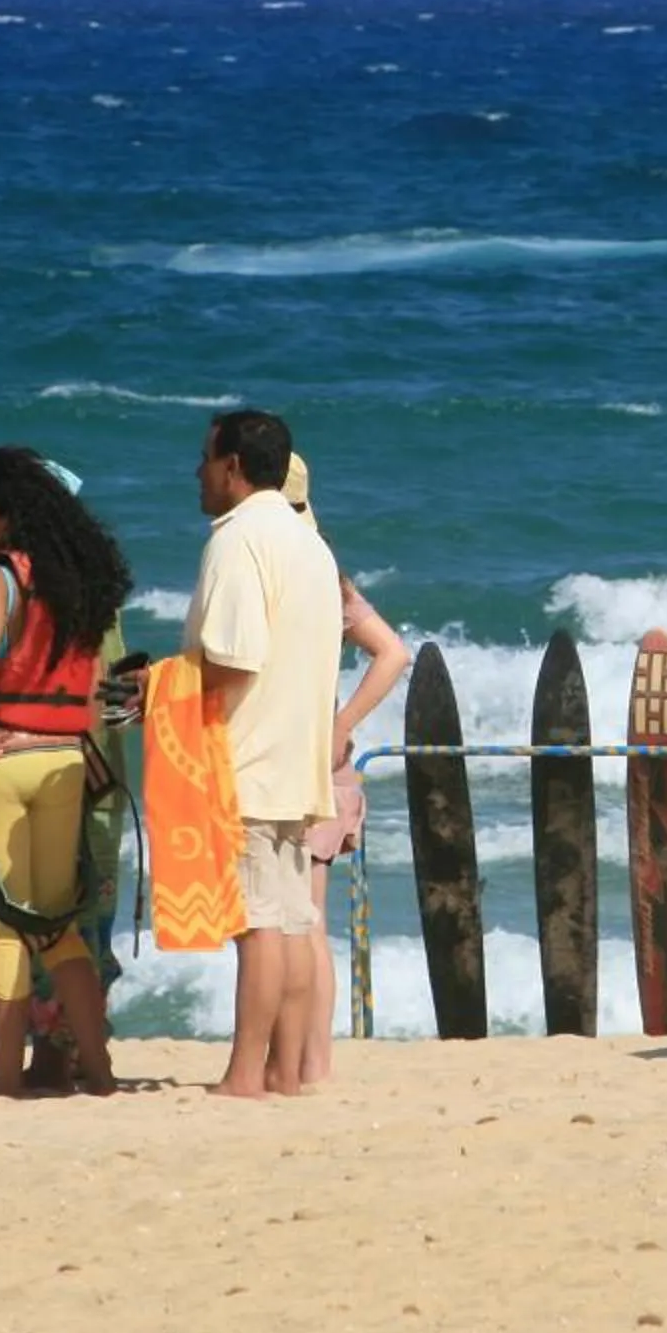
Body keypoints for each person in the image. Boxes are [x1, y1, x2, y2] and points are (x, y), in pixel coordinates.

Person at [0, 446, 130, 1099]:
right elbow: (97, 685)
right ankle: (100, 1072)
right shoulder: (79, 580)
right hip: (65, 761)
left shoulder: (0, 576)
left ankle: (7, 1082)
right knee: (57, 926)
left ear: (9, 517)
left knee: (6, 927)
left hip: (5, 759)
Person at [185, 408, 343, 1099]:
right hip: (296, 756)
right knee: (290, 919)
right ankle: (288, 1070)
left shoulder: (238, 537)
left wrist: (160, 685)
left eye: (205, 459)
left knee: (257, 927)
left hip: (246, 755)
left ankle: (246, 1073)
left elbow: (235, 658)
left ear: (233, 467)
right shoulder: (311, 543)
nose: (197, 472)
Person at [283, 450, 411, 1089]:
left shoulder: (281, 573)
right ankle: (317, 1066)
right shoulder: (328, 575)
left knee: (291, 924)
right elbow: (392, 652)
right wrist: (342, 724)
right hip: (328, 766)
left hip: (290, 765)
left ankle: (292, 1065)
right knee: (313, 923)